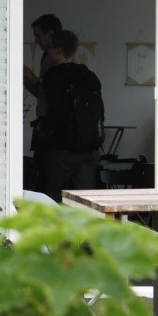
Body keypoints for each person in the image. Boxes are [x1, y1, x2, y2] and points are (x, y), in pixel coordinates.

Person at [40, 30, 103, 202]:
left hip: (64, 146)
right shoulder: (89, 75)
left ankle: (54, 229)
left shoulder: (52, 77)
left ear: (58, 50)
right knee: (86, 200)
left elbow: (47, 111)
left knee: (53, 197)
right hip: (90, 145)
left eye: (50, 49)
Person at [23, 14, 63, 192]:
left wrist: (33, 79)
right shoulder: (46, 57)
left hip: (49, 129)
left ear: (50, 34)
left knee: (45, 176)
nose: (37, 41)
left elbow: (50, 95)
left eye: (39, 36)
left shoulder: (51, 59)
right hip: (51, 128)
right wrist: (28, 80)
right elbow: (43, 95)